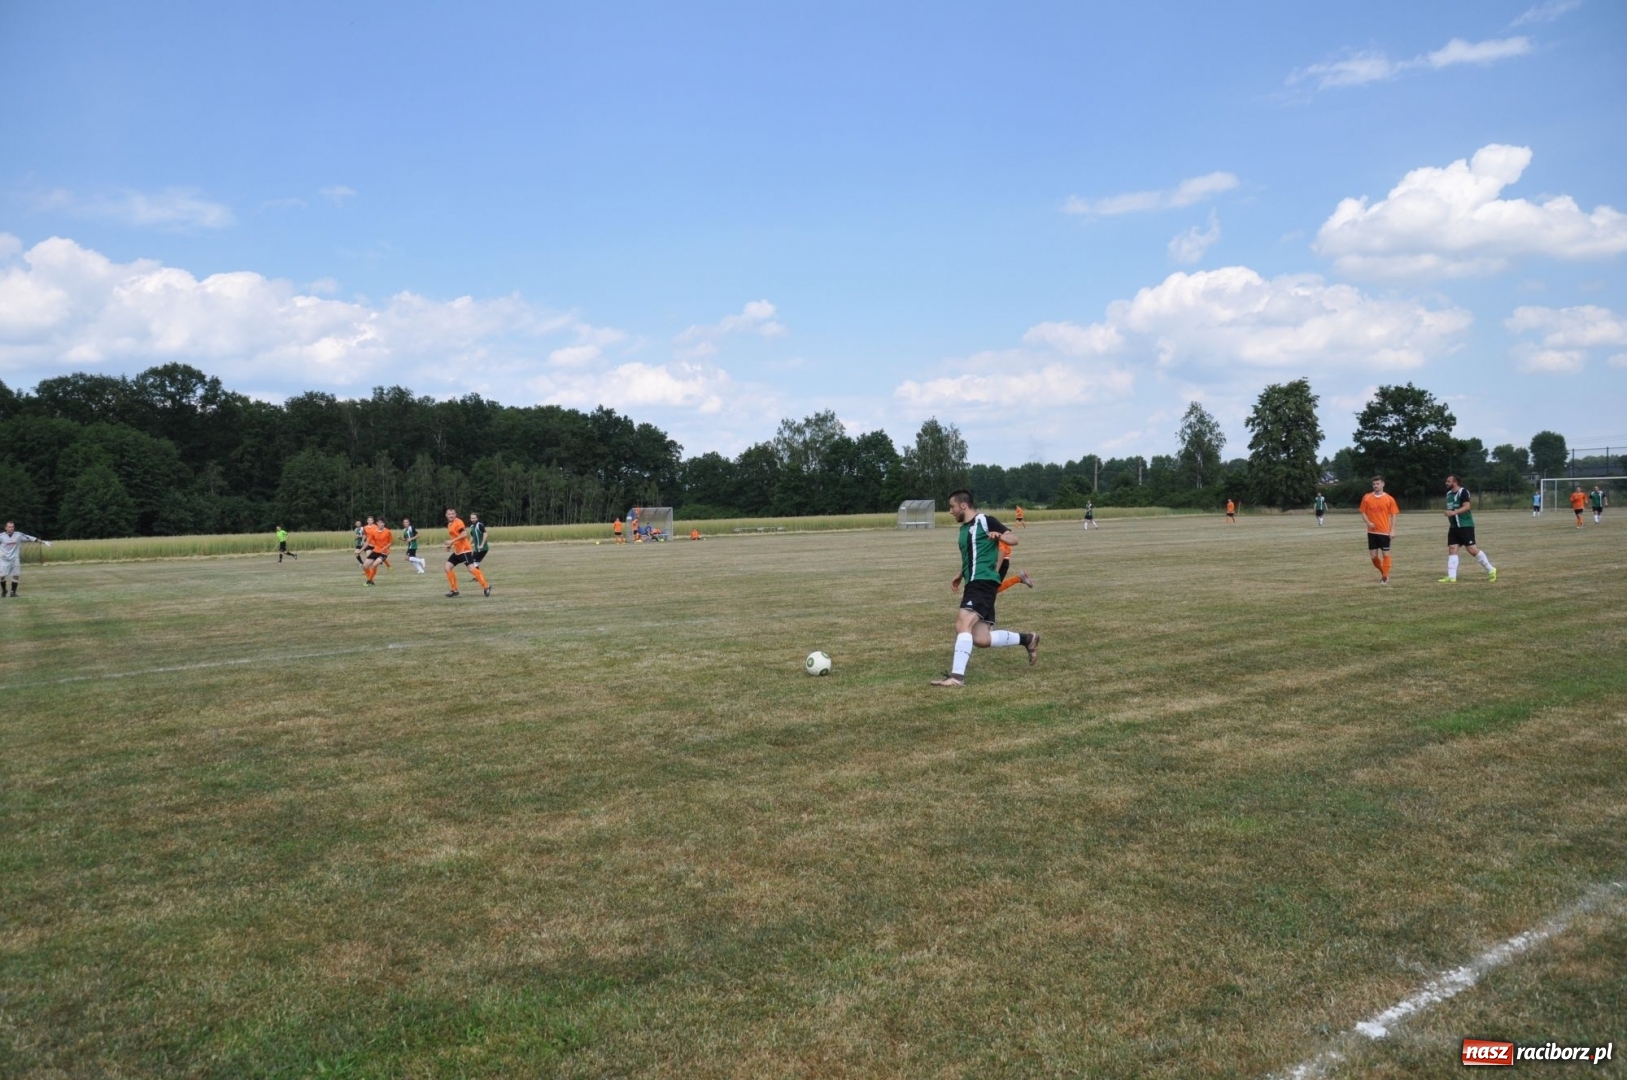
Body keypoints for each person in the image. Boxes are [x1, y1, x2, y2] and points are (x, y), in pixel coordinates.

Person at [930, 490, 1039, 687]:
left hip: (983, 582)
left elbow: (1014, 539)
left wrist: (1001, 537)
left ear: (964, 505)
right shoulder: (964, 529)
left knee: (963, 624)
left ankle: (957, 677)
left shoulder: (984, 520)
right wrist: (960, 573)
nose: (950, 511)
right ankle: (1028, 639)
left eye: (952, 507)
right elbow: (972, 556)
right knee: (981, 638)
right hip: (974, 581)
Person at [1439, 475, 1496, 584]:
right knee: (1452, 548)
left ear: (1455, 482)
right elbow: (1452, 509)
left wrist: (1453, 512)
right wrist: (1449, 513)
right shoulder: (1449, 494)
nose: (1446, 483)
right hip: (1454, 527)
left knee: (1472, 550)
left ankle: (1491, 569)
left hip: (1466, 525)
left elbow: (1467, 507)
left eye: (1448, 481)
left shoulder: (1463, 492)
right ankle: (1452, 577)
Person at [1359, 476, 1399, 585]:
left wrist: (1392, 530)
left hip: (1384, 532)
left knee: (1386, 554)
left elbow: (1394, 515)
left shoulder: (1389, 499)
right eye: (1374, 484)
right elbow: (1363, 512)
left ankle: (1385, 578)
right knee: (1373, 557)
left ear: (1383, 484)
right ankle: (1384, 573)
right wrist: (1368, 523)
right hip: (1371, 532)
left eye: (1377, 484)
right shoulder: (1367, 497)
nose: (1375, 486)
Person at [443, 507, 491, 597]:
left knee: (471, 569)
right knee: (447, 568)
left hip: (464, 550)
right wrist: (450, 546)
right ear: (446, 515)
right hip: (457, 551)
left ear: (456, 514)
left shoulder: (458, 522)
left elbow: (464, 534)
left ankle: (486, 586)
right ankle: (454, 590)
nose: (451, 515)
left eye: (453, 513)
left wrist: (451, 542)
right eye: (449, 514)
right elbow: (455, 537)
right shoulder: (450, 524)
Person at [0, 522, 51, 597]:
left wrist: (43, 542)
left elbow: (30, 538)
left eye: (12, 527)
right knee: (2, 576)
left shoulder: (18, 535)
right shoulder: (1, 536)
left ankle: (13, 592)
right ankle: (4, 590)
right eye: (9, 527)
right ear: (5, 528)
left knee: (16, 575)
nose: (11, 528)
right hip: (4, 559)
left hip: (15, 558)